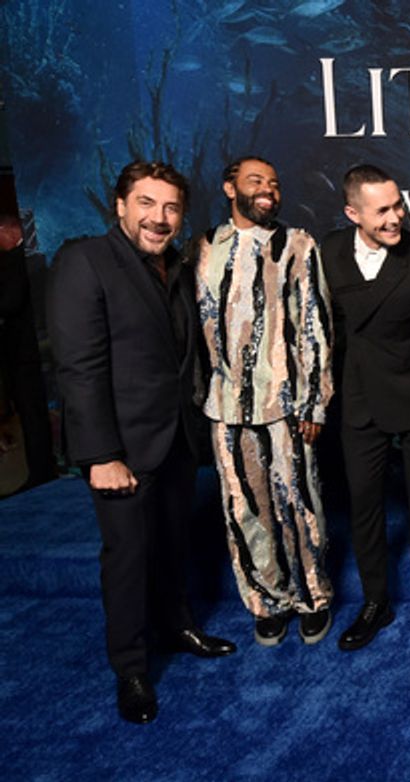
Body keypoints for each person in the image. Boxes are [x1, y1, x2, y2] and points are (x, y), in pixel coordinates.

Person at [48, 160, 235, 724]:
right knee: (128, 558)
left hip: (174, 438)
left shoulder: (176, 267)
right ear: (121, 206)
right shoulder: (85, 261)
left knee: (173, 544)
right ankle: (131, 669)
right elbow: (79, 367)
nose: (160, 217)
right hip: (121, 448)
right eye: (147, 204)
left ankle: (178, 627)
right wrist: (101, 455)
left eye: (171, 207)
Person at [195, 156, 335, 647]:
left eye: (274, 183)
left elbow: (315, 324)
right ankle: (267, 601)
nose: (268, 190)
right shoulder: (203, 248)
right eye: (256, 181)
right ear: (229, 187)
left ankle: (313, 597)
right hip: (225, 407)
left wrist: (314, 402)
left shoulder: (298, 244)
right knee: (244, 510)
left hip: (286, 405)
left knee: (299, 503)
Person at [320, 164, 410, 650]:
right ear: (352, 213)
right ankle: (375, 602)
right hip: (359, 399)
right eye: (382, 211)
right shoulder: (328, 252)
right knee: (363, 508)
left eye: (398, 205)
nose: (395, 217)